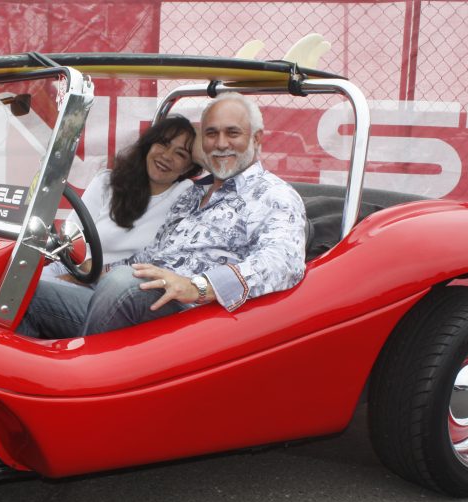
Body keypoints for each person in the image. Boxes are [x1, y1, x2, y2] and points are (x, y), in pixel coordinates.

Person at [19, 94, 306, 338]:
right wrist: (92, 276)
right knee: (23, 295)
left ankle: (85, 386)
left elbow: (283, 262)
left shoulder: (273, 194)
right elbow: (150, 257)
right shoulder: (193, 196)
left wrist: (198, 286)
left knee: (122, 283)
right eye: (210, 134)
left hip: (190, 318)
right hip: (137, 298)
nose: (220, 143)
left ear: (256, 139)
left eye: (232, 133)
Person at [43, 115, 201, 281]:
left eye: (180, 154)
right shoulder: (108, 181)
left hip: (122, 289)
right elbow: (70, 237)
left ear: (189, 167)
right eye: (163, 144)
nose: (167, 156)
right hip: (73, 269)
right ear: (149, 145)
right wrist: (87, 274)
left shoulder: (187, 199)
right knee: (26, 287)